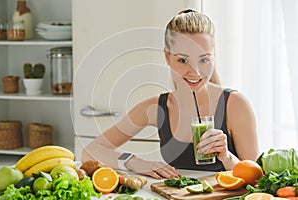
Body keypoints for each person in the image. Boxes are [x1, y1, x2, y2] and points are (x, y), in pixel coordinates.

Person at [81, 9, 259, 179]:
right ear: (167, 57)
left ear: (214, 55)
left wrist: (226, 157)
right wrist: (133, 162)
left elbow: (257, 178)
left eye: (204, 59)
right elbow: (90, 151)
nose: (195, 71)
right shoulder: (156, 108)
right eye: (183, 60)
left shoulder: (235, 104)